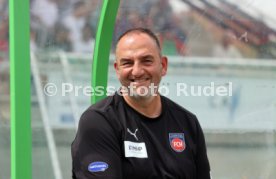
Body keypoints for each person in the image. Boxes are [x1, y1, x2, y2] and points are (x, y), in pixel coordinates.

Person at [71, 28, 211, 179]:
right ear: (117, 70)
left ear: (163, 65)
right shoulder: (98, 122)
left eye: (146, 61)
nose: (137, 71)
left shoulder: (187, 123)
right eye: (127, 63)